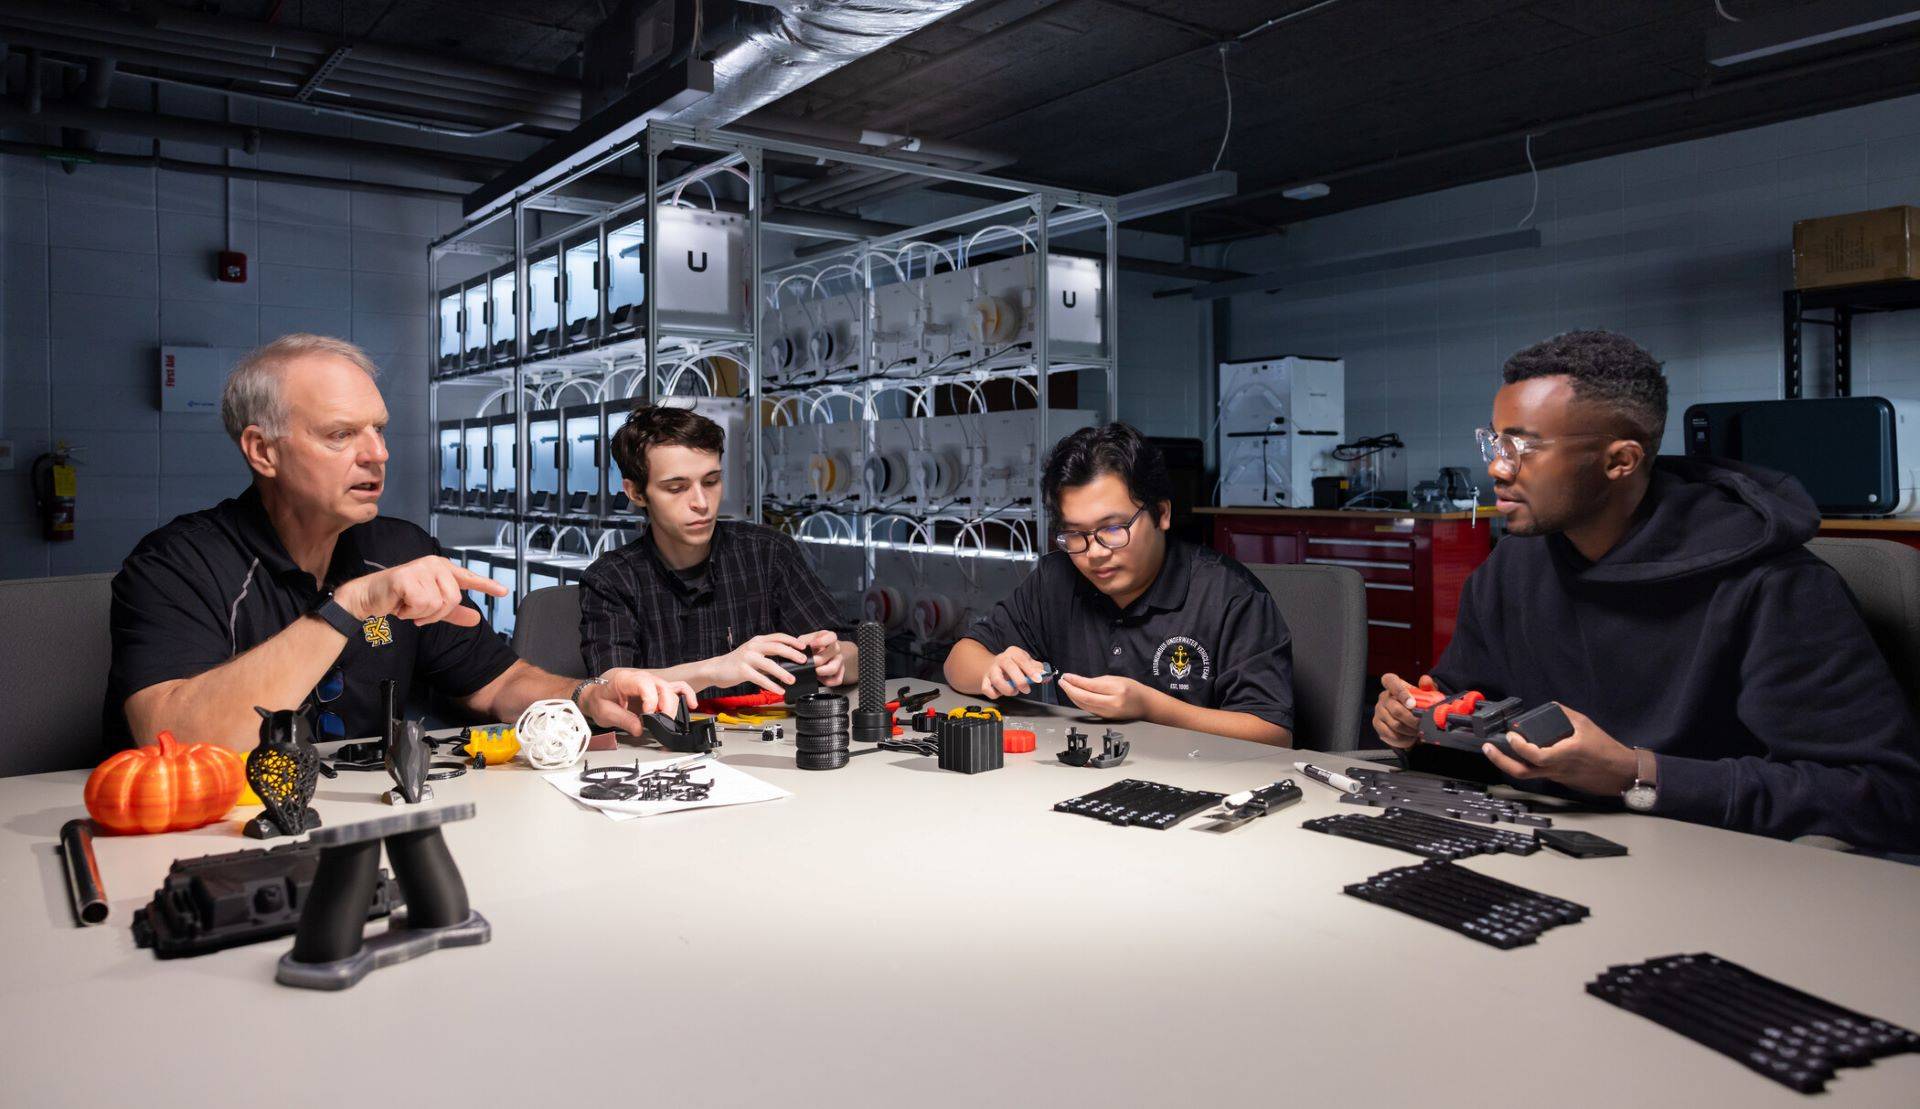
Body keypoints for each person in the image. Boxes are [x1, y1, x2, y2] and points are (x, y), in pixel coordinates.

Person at [1372, 330, 1920, 850]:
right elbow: (1475, 729)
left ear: (1620, 460)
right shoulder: (1511, 567)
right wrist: (1421, 725)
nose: (1496, 465)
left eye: (1524, 447)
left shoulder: (1775, 587)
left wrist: (1637, 774)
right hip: (1541, 845)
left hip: (1719, 872)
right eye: (1495, 440)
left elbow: (1882, 797)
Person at [106, 334, 694, 751]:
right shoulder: (176, 564)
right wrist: (350, 606)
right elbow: (175, 738)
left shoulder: (400, 548)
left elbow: (500, 684)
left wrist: (587, 695)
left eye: (378, 430)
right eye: (341, 435)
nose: (377, 454)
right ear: (263, 451)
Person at [944, 422, 1294, 744]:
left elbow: (1272, 734)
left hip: (1202, 783)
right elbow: (958, 661)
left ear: (1162, 513)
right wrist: (992, 669)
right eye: (1076, 534)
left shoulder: (1229, 596)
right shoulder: (1057, 578)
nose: (1094, 553)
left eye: (1113, 529)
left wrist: (1152, 709)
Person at [579, 404, 854, 698]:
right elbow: (607, 688)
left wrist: (836, 658)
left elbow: (852, 651)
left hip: (765, 740)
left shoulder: (769, 553)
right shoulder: (610, 579)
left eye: (711, 481)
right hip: (662, 744)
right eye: (676, 488)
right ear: (635, 493)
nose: (701, 502)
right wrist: (716, 670)